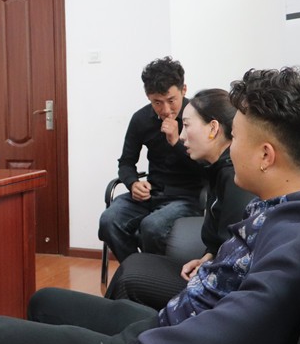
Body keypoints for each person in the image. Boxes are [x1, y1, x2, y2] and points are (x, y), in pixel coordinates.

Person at [0, 67, 300, 344]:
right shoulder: (294, 202)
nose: (229, 148)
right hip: (171, 322)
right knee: (45, 299)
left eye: (236, 137)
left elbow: (254, 320)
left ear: (265, 155)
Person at [105, 89, 255, 309]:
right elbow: (224, 241)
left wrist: (209, 265)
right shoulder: (218, 168)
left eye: (186, 125)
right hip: (155, 193)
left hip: (218, 286)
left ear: (213, 128)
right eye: (157, 102)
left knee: (133, 269)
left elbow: (234, 254)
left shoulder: (232, 176)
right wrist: (207, 257)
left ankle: (133, 323)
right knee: (121, 242)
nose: (182, 135)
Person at [98, 57, 204, 261]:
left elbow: (206, 167)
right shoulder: (141, 119)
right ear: (148, 97)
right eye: (157, 102)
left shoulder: (200, 118)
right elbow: (126, 162)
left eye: (171, 100)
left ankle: (154, 275)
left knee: (152, 227)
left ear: (183, 90)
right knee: (109, 220)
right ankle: (134, 270)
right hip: (152, 193)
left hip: (187, 197)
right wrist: (133, 183)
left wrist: (176, 142)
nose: (165, 110)